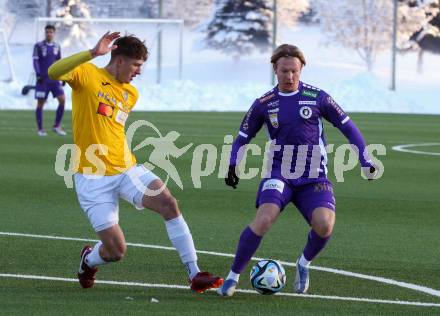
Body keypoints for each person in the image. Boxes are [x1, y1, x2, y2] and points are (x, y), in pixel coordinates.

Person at [48, 32, 223, 292]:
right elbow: (53, 72)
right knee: (116, 251)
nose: (139, 72)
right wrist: (93, 53)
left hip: (127, 169)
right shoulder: (87, 74)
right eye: (136, 65)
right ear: (119, 60)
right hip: (92, 178)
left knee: (169, 204)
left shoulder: (130, 93)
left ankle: (194, 273)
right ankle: (89, 259)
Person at [217, 44, 376, 296]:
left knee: (324, 225)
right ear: (275, 70)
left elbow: (349, 128)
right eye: (284, 71)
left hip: (313, 176)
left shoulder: (318, 97)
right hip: (279, 173)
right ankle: (232, 277)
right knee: (264, 218)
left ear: (301, 69)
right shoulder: (263, 103)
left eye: (294, 71)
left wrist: (365, 160)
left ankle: (303, 263)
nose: (289, 77)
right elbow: (242, 137)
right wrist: (233, 164)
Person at [33, 24, 66, 136]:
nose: (49, 34)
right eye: (47, 32)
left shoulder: (57, 46)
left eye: (51, 32)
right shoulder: (38, 46)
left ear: (54, 33)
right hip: (43, 80)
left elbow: (59, 62)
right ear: (45, 33)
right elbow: (35, 61)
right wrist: (38, 74)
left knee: (62, 100)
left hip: (55, 80)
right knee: (40, 104)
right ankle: (40, 129)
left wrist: (63, 76)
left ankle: (56, 125)